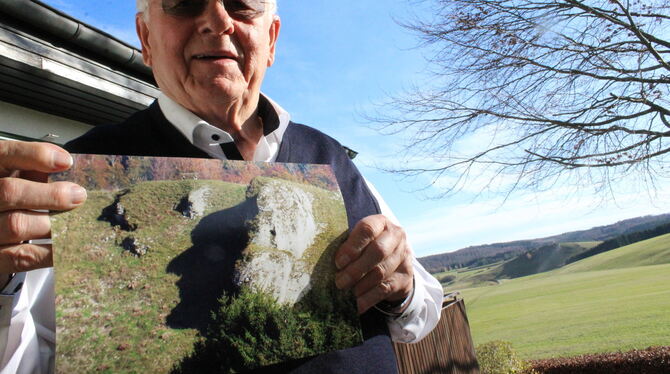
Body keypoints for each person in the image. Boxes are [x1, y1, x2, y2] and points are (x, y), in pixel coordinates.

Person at [0, 0, 443, 372]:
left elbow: (422, 313)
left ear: (271, 39)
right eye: (184, 3)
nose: (217, 20)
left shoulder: (330, 155)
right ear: (146, 38)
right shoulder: (67, 180)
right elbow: (21, 360)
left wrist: (401, 287)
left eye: (242, 5)